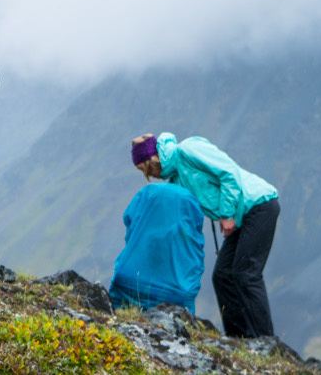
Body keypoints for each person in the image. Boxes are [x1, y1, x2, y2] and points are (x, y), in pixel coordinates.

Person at [132, 132, 280, 338]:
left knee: (246, 274)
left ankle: (265, 341)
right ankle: (239, 339)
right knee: (222, 276)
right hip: (239, 218)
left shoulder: (188, 150)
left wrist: (227, 214)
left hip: (258, 205)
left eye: (146, 169)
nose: (149, 175)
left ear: (153, 159)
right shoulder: (175, 181)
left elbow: (228, 173)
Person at [111, 145, 206, 312]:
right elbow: (194, 249)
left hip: (131, 284)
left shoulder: (148, 197)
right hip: (177, 293)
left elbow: (130, 225)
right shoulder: (185, 203)